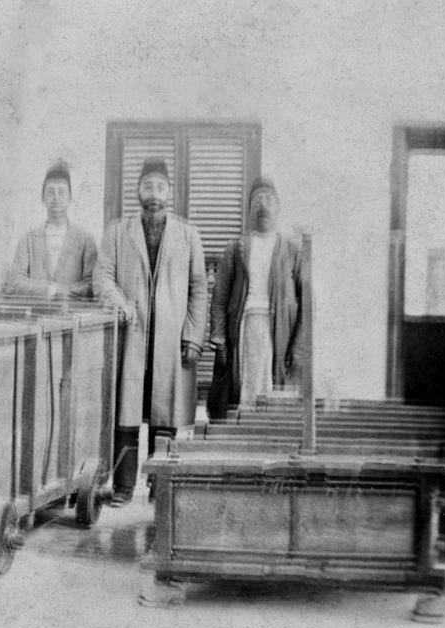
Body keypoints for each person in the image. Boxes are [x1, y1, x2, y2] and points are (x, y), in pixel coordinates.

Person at [94, 158, 208, 505]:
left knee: (166, 412)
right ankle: (124, 486)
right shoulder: (118, 231)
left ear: (169, 192)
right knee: (127, 411)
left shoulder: (188, 234)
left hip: (170, 339)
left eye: (160, 187)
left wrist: (192, 336)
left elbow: (199, 287)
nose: (154, 194)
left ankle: (160, 487)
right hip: (132, 335)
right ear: (137, 191)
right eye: (147, 187)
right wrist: (119, 301)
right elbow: (102, 276)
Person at [206, 177, 306, 419]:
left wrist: (299, 346)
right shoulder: (235, 249)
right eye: (257, 200)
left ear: (279, 207)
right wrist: (219, 338)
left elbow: (307, 304)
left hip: (279, 331)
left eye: (269, 199)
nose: (263, 205)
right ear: (249, 209)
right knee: (242, 392)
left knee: (275, 395)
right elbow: (219, 300)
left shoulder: (292, 250)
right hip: (244, 330)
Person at [4, 161, 98, 299]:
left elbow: (92, 284)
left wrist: (65, 293)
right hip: (35, 314)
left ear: (71, 198)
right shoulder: (28, 238)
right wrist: (50, 291)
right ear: (42, 197)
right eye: (50, 192)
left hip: (72, 314)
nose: (56, 198)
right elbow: (14, 283)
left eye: (62, 192)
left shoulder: (85, 239)